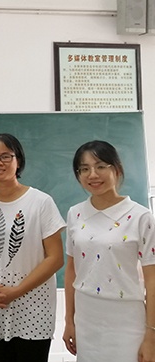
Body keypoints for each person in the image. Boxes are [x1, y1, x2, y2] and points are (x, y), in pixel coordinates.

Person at [0, 133, 65, 362]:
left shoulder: (41, 202)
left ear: (18, 160)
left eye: (5, 156)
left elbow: (55, 258)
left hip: (34, 304)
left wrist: (16, 291)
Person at [62, 140, 155, 362]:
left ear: (117, 169)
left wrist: (151, 335)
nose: (93, 174)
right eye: (84, 169)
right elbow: (71, 271)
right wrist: (69, 320)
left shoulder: (141, 217)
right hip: (86, 318)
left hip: (126, 319)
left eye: (101, 166)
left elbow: (153, 280)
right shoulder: (75, 213)